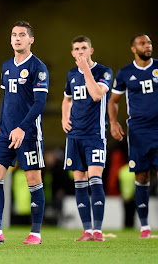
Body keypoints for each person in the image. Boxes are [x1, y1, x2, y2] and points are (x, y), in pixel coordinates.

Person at [0, 21, 49, 245]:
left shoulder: (38, 67)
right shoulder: (7, 66)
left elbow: (39, 104)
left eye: (22, 35)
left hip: (29, 134)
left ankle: (35, 233)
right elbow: (6, 100)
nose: (17, 38)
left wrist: (21, 128)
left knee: (33, 180)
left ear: (31, 39)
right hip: (6, 132)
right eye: (14, 35)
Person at [61, 35, 113, 242]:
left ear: (91, 51)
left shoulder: (104, 72)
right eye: (76, 49)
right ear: (73, 53)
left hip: (95, 135)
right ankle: (87, 231)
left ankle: (98, 231)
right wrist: (64, 118)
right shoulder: (71, 74)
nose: (80, 52)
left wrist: (87, 71)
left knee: (95, 178)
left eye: (84, 48)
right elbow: (67, 98)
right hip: (75, 135)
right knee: (79, 181)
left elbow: (96, 95)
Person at [108, 33, 158, 239]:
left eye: (149, 43)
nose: (147, 46)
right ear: (133, 48)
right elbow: (113, 100)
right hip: (138, 131)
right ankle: (145, 227)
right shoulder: (125, 73)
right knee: (141, 177)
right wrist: (113, 122)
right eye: (142, 43)